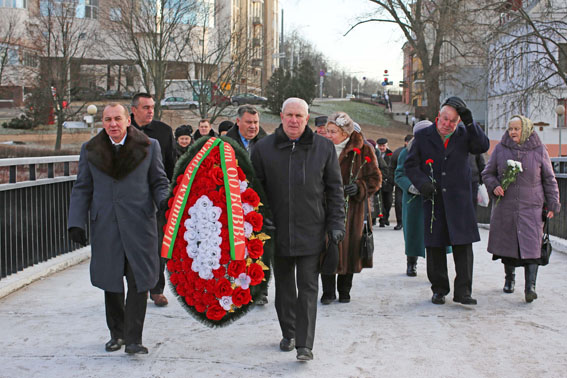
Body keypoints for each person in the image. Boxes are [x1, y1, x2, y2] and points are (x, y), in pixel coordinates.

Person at [68, 103, 169, 354]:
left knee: (139, 282)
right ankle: (118, 334)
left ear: (128, 120)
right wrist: (75, 222)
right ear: (102, 122)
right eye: (107, 119)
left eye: (117, 118)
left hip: (140, 226)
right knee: (111, 282)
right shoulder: (91, 150)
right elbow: (82, 187)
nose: (113, 124)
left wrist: (166, 203)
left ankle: (134, 339)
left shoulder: (148, 146)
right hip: (106, 227)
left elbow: (159, 181)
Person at [251, 97, 345, 361]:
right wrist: (260, 219)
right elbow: (253, 192)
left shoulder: (324, 148)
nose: (294, 120)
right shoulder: (263, 148)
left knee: (307, 286)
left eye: (299, 116)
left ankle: (304, 344)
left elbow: (335, 191)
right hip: (276, 230)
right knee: (284, 287)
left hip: (311, 230)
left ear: (307, 118)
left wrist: (336, 224)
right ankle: (289, 332)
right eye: (289, 115)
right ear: (281, 116)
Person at [405, 96, 489, 305]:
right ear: (437, 118)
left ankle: (464, 292)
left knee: (463, 246)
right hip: (434, 198)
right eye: (444, 119)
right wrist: (422, 183)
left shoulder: (464, 134)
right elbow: (411, 165)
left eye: (453, 121)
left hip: (460, 199)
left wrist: (470, 123)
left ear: (458, 122)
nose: (447, 124)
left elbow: (481, 146)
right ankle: (439, 289)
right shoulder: (423, 136)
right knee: (435, 246)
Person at [481, 115, 560, 303]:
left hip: (531, 207)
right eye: (510, 129)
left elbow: (549, 179)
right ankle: (509, 279)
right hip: (506, 206)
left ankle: (530, 287)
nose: (513, 132)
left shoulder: (539, 150)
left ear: (526, 129)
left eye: (517, 128)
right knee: (508, 244)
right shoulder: (500, 149)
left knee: (532, 247)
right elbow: (487, 173)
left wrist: (552, 203)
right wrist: (494, 186)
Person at [320, 112, 381, 304]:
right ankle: (328, 291)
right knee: (327, 247)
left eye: (332, 131)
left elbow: (376, 179)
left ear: (345, 133)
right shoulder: (320, 148)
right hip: (326, 207)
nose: (328, 135)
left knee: (350, 248)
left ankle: (345, 289)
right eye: (327, 130)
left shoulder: (363, 150)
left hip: (353, 209)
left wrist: (360, 187)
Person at [130, 92, 175, 307]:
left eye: (152, 107)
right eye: (145, 107)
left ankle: (157, 289)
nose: (150, 111)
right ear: (133, 110)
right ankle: (133, 287)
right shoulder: (122, 130)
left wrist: (169, 196)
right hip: (128, 200)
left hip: (157, 198)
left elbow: (171, 166)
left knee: (158, 246)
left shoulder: (164, 132)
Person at [225, 105, 269, 305]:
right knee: (235, 248)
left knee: (260, 247)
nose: (253, 127)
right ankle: (234, 289)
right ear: (238, 121)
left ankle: (260, 289)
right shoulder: (225, 143)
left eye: (256, 122)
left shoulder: (267, 141)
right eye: (249, 122)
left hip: (260, 203)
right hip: (232, 203)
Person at [391, 135, 413, 230]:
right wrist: (393, 181)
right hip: (400, 183)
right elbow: (392, 168)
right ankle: (400, 222)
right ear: (405, 142)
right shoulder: (399, 152)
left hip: (414, 182)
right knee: (398, 202)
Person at [375, 138, 394, 227]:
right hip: (379, 181)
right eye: (380, 146)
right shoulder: (375, 153)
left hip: (388, 182)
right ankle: (382, 220)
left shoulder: (391, 154)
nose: (382, 148)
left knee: (388, 202)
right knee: (380, 202)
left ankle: (386, 217)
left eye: (383, 146)